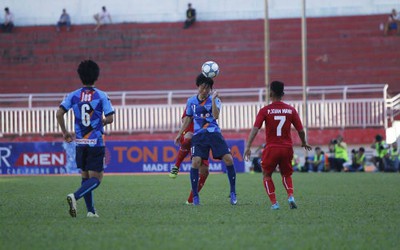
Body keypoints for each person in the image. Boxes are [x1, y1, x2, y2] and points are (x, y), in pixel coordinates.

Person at [56, 60, 115, 218]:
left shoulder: (73, 95)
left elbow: (59, 113)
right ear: (97, 76)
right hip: (95, 142)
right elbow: (110, 118)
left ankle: (90, 211)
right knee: (97, 178)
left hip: (80, 143)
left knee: (85, 176)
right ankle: (75, 196)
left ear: (80, 76)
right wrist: (102, 121)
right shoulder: (101, 95)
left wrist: (65, 132)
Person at [244, 81, 312, 210]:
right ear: (283, 93)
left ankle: (274, 203)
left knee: (266, 175)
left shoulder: (265, 110)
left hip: (272, 148)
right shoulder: (291, 110)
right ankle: (290, 196)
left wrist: (248, 146)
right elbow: (301, 130)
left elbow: (255, 129)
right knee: (286, 174)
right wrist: (303, 142)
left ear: (271, 93)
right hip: (287, 148)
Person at [174, 73, 237, 206]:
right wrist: (180, 133)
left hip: (214, 133)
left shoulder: (216, 100)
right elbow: (188, 119)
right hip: (199, 136)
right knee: (195, 162)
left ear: (210, 89)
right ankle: (195, 196)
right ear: (198, 87)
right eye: (202, 87)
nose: (205, 90)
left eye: (207, 88)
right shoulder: (191, 101)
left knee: (229, 159)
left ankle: (232, 192)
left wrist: (213, 100)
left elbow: (216, 116)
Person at [169, 107, 210, 204]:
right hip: (190, 131)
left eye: (207, 90)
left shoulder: (211, 104)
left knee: (205, 172)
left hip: (203, 136)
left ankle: (191, 200)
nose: (204, 91)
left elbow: (213, 120)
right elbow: (184, 119)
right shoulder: (192, 103)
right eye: (202, 90)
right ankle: (176, 166)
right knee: (188, 138)